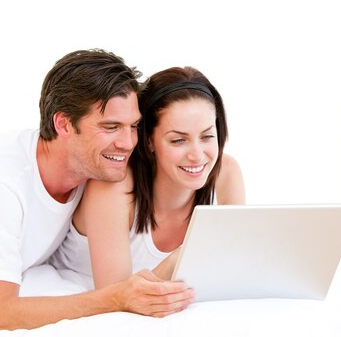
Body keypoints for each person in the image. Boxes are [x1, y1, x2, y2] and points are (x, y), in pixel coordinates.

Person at [0, 49, 194, 331]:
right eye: (110, 127)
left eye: (134, 126)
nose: (128, 143)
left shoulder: (97, 163)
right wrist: (114, 299)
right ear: (64, 124)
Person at [51, 66, 245, 291]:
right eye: (178, 140)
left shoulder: (226, 171)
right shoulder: (114, 186)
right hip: (76, 294)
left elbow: (235, 264)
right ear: (150, 141)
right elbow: (118, 296)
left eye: (207, 136)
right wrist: (185, 254)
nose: (197, 155)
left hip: (163, 306)